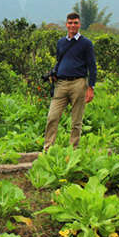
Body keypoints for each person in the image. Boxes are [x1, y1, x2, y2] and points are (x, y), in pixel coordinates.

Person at [43, 12, 97, 151]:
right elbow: (59, 60)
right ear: (66, 24)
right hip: (61, 84)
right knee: (52, 117)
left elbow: (92, 66)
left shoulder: (86, 43)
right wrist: (55, 73)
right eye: (70, 23)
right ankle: (48, 149)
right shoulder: (61, 42)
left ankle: (73, 150)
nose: (73, 25)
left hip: (78, 83)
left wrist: (91, 87)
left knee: (76, 120)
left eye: (75, 23)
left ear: (79, 24)